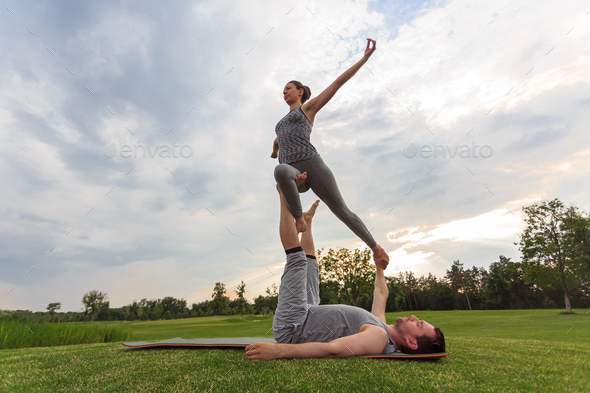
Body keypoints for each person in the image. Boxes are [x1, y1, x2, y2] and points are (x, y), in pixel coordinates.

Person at [245, 180, 446, 360]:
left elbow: (333, 349)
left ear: (412, 342)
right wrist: (379, 268)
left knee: (297, 260)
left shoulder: (378, 337)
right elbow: (381, 293)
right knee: (311, 267)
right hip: (307, 312)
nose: (414, 318)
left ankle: (284, 191)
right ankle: (307, 221)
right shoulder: (381, 328)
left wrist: (278, 351)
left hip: (293, 327)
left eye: (418, 324)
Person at [271, 38, 388, 267]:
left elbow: (337, 82)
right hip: (294, 174)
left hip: (311, 163)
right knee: (280, 170)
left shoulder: (308, 109)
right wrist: (274, 152)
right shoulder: (281, 122)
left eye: (288, 88)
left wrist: (364, 58)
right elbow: (277, 140)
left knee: (342, 210)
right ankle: (300, 220)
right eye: (283, 89)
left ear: (300, 91)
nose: (284, 91)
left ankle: (375, 247)